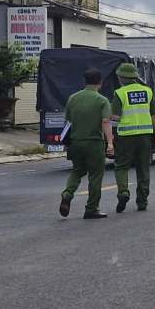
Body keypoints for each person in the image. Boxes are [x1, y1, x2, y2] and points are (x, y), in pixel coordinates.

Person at [59, 68, 114, 219]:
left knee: (77, 170)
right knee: (95, 175)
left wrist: (66, 142)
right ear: (100, 83)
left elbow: (68, 121)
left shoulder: (73, 98)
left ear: (85, 81)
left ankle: (67, 194)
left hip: (76, 141)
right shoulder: (102, 100)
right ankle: (91, 208)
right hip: (94, 142)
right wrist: (110, 143)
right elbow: (105, 121)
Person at [111, 63, 155, 213]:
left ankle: (123, 192)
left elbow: (116, 117)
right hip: (145, 136)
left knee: (121, 166)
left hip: (126, 136)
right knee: (143, 168)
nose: (118, 78)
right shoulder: (148, 91)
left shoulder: (119, 93)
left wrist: (107, 113)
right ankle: (142, 201)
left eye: (119, 76)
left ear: (123, 78)